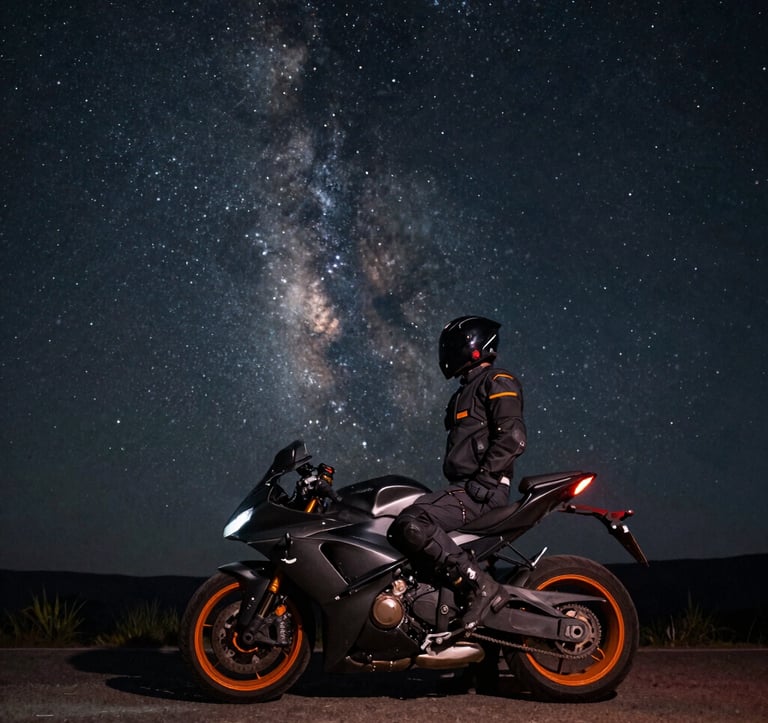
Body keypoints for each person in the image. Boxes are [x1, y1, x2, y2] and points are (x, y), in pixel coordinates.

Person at [387, 315, 527, 631]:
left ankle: (481, 586)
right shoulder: (464, 392)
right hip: (466, 486)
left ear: (472, 345)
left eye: (451, 346)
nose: (445, 354)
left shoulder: (496, 381)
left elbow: (513, 437)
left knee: (412, 523)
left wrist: (485, 479)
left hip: (482, 490)